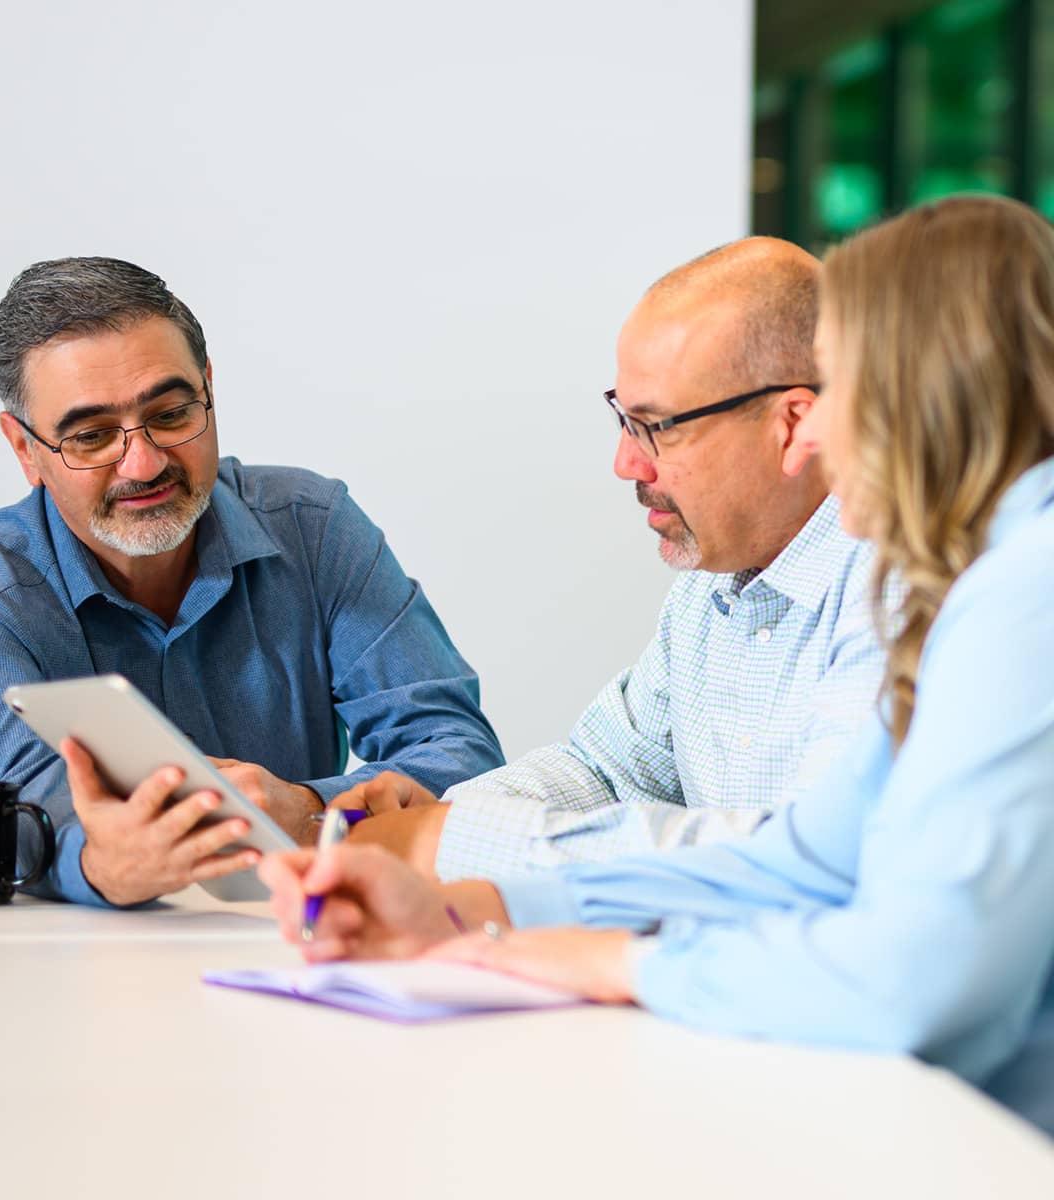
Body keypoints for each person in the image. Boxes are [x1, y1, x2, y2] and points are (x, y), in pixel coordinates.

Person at [262, 195, 1054, 1137]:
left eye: (832, 393)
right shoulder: (980, 581)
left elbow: (909, 976)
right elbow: (804, 859)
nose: (812, 442)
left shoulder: (1020, 589)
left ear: (922, 393)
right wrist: (478, 906)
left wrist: (612, 962)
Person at [0, 257, 504, 907]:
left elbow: (459, 751)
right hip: (71, 965)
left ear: (209, 388)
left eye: (169, 413)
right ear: (25, 449)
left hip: (296, 942)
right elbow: (19, 822)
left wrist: (307, 808)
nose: (143, 463)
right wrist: (104, 864)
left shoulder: (315, 527)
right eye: (92, 436)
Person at [341, 238, 884, 879]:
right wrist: (445, 816)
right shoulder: (711, 587)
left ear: (792, 423)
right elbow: (604, 772)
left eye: (658, 426)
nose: (627, 462)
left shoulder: (899, 588)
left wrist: (455, 844)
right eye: (624, 420)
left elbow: (798, 859)